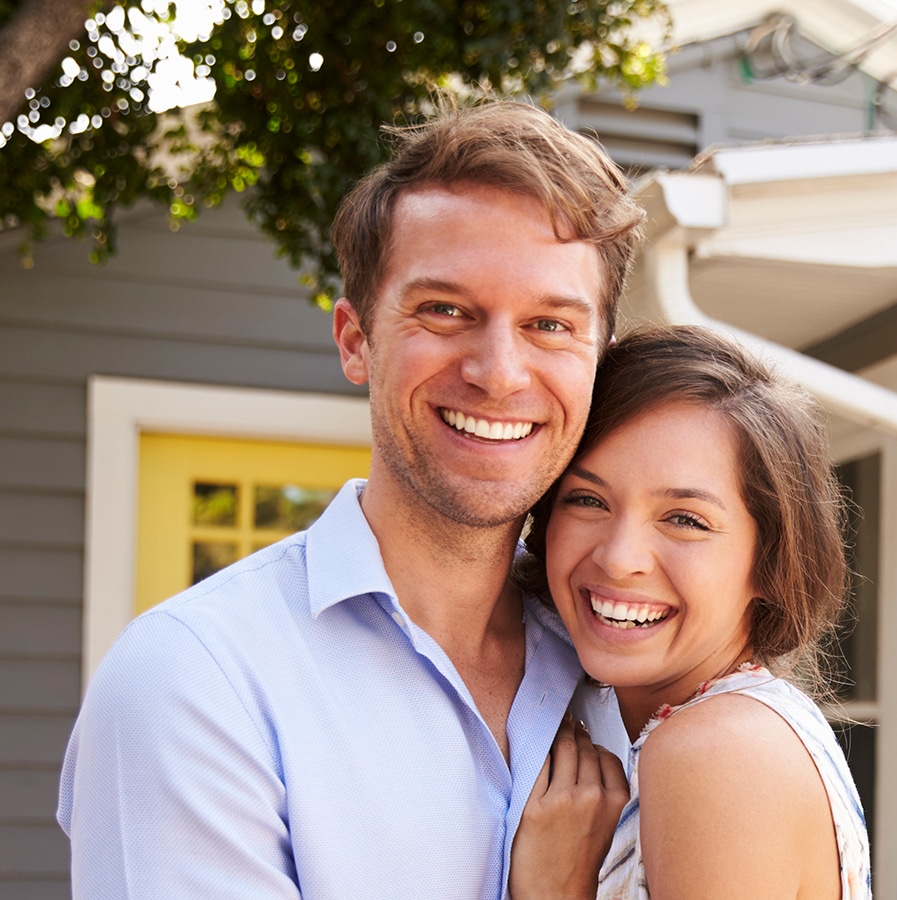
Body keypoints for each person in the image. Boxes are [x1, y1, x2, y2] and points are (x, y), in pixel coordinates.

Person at [57, 99, 644, 898]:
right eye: (445, 310)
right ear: (355, 340)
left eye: (550, 325)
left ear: (598, 362)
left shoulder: (629, 666)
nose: (499, 372)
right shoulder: (197, 680)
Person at [510, 325, 872, 899]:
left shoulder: (719, 751)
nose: (619, 557)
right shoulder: (706, 731)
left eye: (685, 519)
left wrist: (554, 891)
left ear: (771, 560)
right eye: (587, 500)